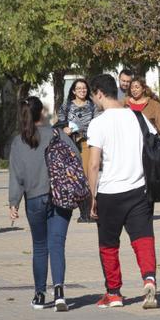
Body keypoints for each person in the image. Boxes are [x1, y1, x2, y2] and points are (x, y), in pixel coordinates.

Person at [85, 74, 160, 310]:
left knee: (109, 244)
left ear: (98, 93)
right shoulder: (137, 117)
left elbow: (94, 164)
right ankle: (149, 278)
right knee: (143, 239)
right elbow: (153, 146)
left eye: (93, 97)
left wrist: (92, 195)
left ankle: (114, 293)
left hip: (109, 192)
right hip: (139, 189)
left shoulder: (98, 123)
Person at [8, 96, 72, 311]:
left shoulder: (19, 141)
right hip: (60, 196)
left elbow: (16, 176)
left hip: (34, 198)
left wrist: (13, 202)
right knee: (57, 244)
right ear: (40, 113)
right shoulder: (57, 134)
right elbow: (75, 159)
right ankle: (60, 291)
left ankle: (39, 294)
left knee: (39, 246)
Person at [124, 77, 160, 186]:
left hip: (147, 145)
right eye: (132, 88)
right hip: (128, 145)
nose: (134, 90)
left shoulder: (153, 105)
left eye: (137, 87)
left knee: (146, 173)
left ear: (143, 88)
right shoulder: (124, 104)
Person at [58, 78, 97, 221]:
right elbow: (60, 123)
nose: (82, 90)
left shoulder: (93, 106)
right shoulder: (66, 106)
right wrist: (65, 129)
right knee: (74, 178)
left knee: (86, 177)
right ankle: (82, 212)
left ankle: (90, 210)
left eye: (84, 88)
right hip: (70, 145)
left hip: (87, 144)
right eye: (79, 88)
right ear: (73, 91)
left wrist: (81, 132)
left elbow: (97, 126)